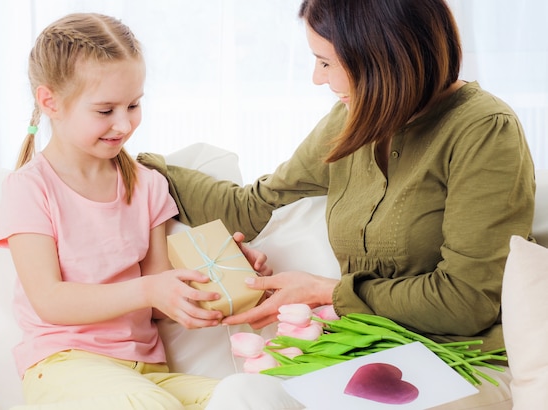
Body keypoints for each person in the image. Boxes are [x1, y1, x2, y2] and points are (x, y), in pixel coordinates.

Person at [138, 0, 536, 408]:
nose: (315, 77)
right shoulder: (352, 120)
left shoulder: (484, 132)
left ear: (381, 56)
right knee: (243, 393)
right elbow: (252, 205)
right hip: (360, 351)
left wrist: (325, 292)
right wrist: (132, 162)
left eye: (325, 62)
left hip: (462, 362)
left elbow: (465, 301)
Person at [0, 13, 271, 410]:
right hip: (64, 366)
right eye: (105, 110)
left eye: (134, 105)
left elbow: (161, 301)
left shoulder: (147, 185)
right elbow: (50, 300)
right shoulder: (29, 188)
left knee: (252, 397)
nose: (124, 124)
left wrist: (229, 277)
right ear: (50, 101)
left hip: (147, 371)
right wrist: (146, 289)